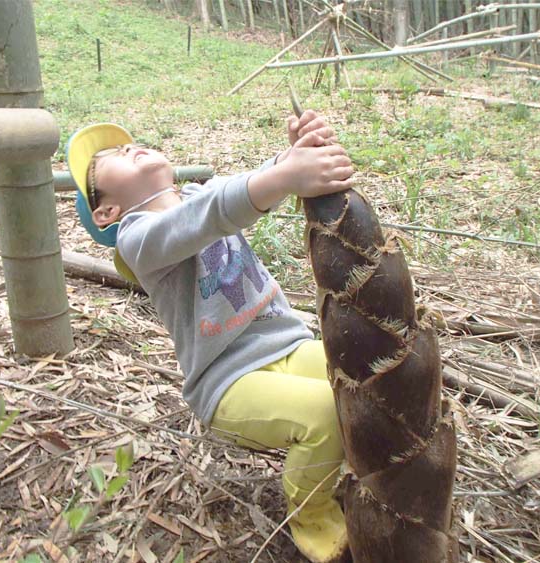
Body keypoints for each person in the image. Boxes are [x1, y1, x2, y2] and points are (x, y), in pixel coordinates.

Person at [67, 111, 354, 563]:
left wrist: (293, 155)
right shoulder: (137, 240)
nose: (130, 146)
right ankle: (314, 519)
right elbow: (208, 217)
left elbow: (242, 189)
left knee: (356, 377)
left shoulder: (201, 194)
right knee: (323, 413)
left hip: (287, 345)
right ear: (107, 210)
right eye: (116, 156)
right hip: (228, 382)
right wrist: (286, 175)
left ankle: (370, 476)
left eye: (130, 142)